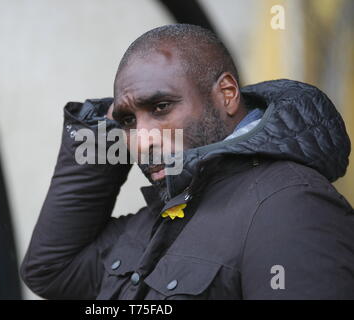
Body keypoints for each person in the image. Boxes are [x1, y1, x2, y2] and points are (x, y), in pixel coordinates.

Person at [20, 24, 354, 299]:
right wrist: (103, 127)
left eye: (161, 107)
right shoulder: (166, 212)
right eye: (128, 122)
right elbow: (51, 270)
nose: (142, 140)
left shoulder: (290, 206)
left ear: (226, 94)